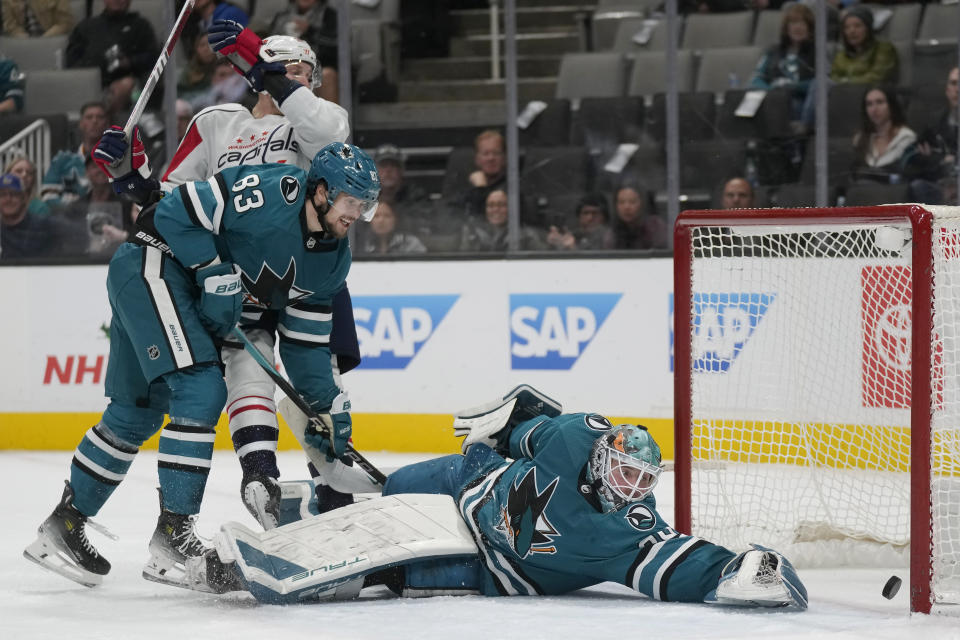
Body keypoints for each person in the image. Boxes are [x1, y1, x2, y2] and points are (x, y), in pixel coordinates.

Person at [23, 141, 380, 589]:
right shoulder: (270, 192)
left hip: (169, 289)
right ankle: (174, 536)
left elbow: (306, 347)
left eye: (365, 206)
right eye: (352, 202)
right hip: (152, 264)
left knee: (136, 413)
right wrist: (211, 267)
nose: (357, 214)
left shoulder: (333, 263)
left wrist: (326, 404)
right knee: (201, 388)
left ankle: (64, 524)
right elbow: (173, 211)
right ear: (322, 191)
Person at [179, 385, 809, 610]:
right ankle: (308, 503)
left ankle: (261, 568)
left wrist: (736, 572)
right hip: (473, 481)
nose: (631, 490)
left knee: (393, 570)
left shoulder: (630, 532)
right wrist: (497, 425)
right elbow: (519, 430)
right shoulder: (572, 437)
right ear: (602, 455)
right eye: (624, 473)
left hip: (500, 569)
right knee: (388, 489)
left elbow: (678, 564)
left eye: (643, 482)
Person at [92, 19, 355, 529]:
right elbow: (170, 206)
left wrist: (267, 69)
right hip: (238, 279)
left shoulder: (321, 122)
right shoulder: (216, 122)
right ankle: (260, 477)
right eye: (289, 72)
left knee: (322, 384)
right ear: (257, 77)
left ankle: (335, 493)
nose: (299, 82)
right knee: (245, 369)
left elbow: (326, 133)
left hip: (311, 272)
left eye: (306, 74)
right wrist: (133, 178)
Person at [65, 0, 160, 115]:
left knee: (126, 84)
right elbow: (71, 61)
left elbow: (153, 57)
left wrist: (129, 62)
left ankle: (109, 123)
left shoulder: (140, 25)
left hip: (129, 83)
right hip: (90, 83)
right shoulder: (86, 27)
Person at [749, 3, 815, 124]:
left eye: (802, 23)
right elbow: (756, 79)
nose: (797, 28)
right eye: (793, 23)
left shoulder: (816, 52)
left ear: (809, 28)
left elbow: (820, 83)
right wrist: (773, 90)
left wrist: (793, 87)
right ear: (786, 28)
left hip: (798, 100)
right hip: (771, 98)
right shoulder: (773, 51)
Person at [905, 67, 959, 206]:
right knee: (918, 186)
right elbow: (911, 158)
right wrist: (940, 160)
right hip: (941, 186)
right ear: (947, 90)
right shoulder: (934, 124)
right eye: (954, 83)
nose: (958, 89)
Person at [268, 0, 338, 104]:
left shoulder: (330, 15)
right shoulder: (282, 16)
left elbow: (335, 43)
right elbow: (268, 44)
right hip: (286, 64)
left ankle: (329, 119)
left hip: (317, 67)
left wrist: (309, 30)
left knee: (327, 74)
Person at [40, 101, 108, 205]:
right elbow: (48, 196)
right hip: (70, 217)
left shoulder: (118, 159)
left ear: (107, 124)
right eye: (89, 117)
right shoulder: (62, 159)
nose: (94, 121)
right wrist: (76, 208)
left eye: (100, 117)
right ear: (81, 124)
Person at [850, 86, 916, 184]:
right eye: (869, 104)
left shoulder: (906, 137)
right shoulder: (860, 140)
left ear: (891, 105)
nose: (874, 109)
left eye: (880, 102)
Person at [459, 188, 545, 252]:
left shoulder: (527, 236)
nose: (495, 209)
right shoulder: (473, 233)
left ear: (511, 208)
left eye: (501, 205)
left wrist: (558, 244)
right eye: (490, 205)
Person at [0, 172, 64, 259]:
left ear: (24, 198)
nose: (8, 199)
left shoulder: (46, 227)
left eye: (14, 194)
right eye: (2, 195)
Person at [830, 6, 898, 86]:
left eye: (858, 26)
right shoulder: (841, 55)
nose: (852, 31)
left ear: (868, 28)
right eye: (847, 27)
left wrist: (846, 82)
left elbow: (876, 77)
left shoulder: (883, 49)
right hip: (842, 94)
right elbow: (833, 77)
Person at [451, 130, 506, 219]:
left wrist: (481, 190)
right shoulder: (465, 190)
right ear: (477, 159)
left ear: (504, 158)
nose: (491, 158)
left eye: (496, 153)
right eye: (485, 154)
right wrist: (478, 189)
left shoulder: (513, 188)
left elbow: (492, 218)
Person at [546, 192, 614, 251]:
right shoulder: (573, 235)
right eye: (585, 213)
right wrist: (554, 245)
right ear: (579, 216)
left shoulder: (610, 238)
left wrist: (573, 249)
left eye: (595, 213)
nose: (590, 218)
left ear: (604, 216)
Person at [356, 200, 427, 255]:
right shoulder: (361, 242)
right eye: (376, 216)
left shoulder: (411, 242)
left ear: (395, 220)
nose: (381, 220)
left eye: (387, 216)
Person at [611, 185, 666, 250]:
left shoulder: (656, 227)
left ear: (642, 204)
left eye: (632, 202)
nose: (626, 207)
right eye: (621, 202)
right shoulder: (611, 234)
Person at [1, 0, 73, 37]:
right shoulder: (8, 1)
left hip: (52, 39)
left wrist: (42, 40)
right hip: (23, 44)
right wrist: (24, 40)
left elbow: (65, 23)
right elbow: (11, 26)